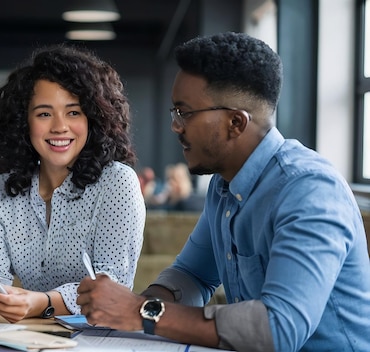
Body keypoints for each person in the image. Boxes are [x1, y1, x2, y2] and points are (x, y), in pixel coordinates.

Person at [77, 31, 370, 352]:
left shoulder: (311, 190)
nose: (176, 126)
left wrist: (142, 312)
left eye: (184, 112)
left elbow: (279, 329)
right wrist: (131, 305)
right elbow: (192, 275)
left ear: (235, 122)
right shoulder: (224, 184)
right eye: (174, 113)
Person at [0, 44, 146, 322]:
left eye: (73, 112)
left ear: (93, 118)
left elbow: (114, 284)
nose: (59, 127)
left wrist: (43, 302)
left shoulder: (117, 182)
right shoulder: (3, 190)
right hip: (28, 337)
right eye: (44, 114)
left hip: (96, 338)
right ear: (24, 122)